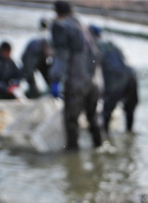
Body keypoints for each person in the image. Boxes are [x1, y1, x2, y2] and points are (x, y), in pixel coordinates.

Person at [49, 1, 102, 150]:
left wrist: (55, 79)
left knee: (71, 121)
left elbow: (61, 57)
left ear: (57, 12)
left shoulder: (60, 26)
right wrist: (90, 76)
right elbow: (96, 55)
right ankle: (99, 147)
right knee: (93, 119)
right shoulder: (83, 26)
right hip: (92, 83)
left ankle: (73, 158)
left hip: (76, 83)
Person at [89, 25, 139, 134]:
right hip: (132, 76)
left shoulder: (94, 46)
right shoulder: (112, 44)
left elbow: (92, 66)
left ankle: (105, 136)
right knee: (130, 110)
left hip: (117, 79)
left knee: (107, 109)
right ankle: (129, 133)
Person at [22, 20, 54, 99]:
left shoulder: (47, 41)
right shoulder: (34, 49)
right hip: (29, 62)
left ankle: (50, 92)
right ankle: (31, 95)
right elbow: (29, 71)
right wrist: (33, 85)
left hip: (41, 61)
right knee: (32, 87)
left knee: (50, 78)